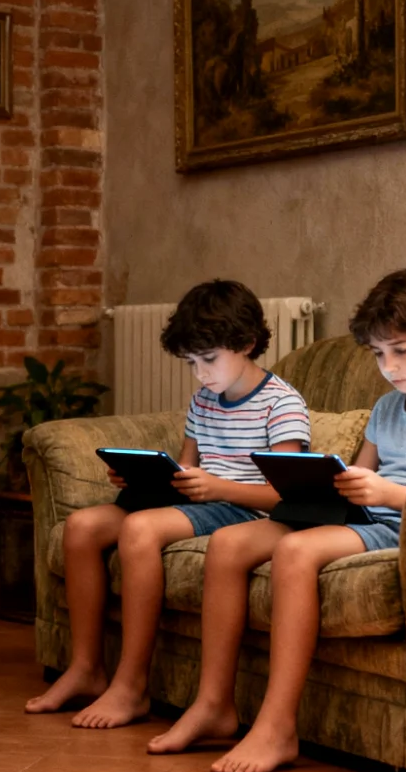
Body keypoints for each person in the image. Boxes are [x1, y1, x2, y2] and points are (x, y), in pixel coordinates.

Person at [149, 267, 406, 772]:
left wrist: (387, 493)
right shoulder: (387, 407)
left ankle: (277, 727)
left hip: (405, 525)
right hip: (360, 517)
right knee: (228, 543)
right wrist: (325, 486)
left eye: (401, 351)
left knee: (295, 551)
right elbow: (357, 475)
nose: (388, 367)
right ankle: (212, 705)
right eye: (378, 354)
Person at [25, 280, 311, 728]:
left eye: (209, 359)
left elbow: (286, 495)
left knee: (140, 529)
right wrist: (144, 479)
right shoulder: (203, 401)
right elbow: (185, 468)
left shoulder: (282, 404)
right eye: (192, 362)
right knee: (81, 527)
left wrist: (218, 487)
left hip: (244, 508)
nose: (201, 373)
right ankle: (85, 669)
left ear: (247, 344)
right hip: (202, 501)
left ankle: (131, 686)